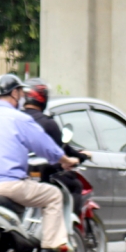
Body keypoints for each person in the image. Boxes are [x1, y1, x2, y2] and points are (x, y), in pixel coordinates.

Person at [0, 73, 78, 252]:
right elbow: (47, 147)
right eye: (20, 92)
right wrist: (66, 160)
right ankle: (49, 249)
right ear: (15, 93)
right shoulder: (19, 118)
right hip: (8, 185)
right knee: (53, 195)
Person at [21, 78, 90, 216]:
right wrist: (80, 157)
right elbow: (60, 150)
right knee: (75, 186)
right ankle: (71, 228)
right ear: (42, 98)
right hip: (42, 177)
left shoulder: (15, 119)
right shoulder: (47, 123)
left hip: (16, 176)